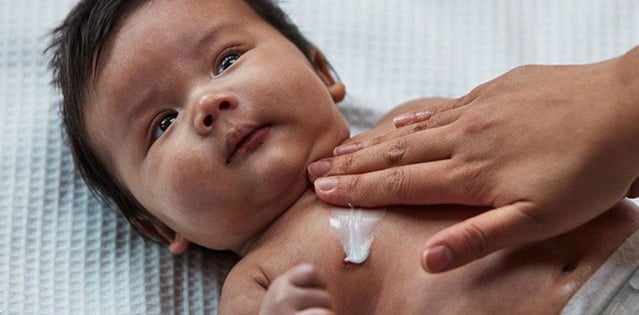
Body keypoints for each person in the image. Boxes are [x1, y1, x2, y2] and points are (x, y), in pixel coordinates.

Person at [48, 0, 639, 313]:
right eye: (162, 123)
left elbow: (564, 143)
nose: (208, 103)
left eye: (226, 60)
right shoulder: (260, 281)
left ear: (321, 69)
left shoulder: (418, 117)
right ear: (157, 224)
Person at [307, 45, 639, 274]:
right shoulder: (259, 274)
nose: (249, 102)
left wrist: (617, 100)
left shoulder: (418, 124)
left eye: (250, 54)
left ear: (320, 71)